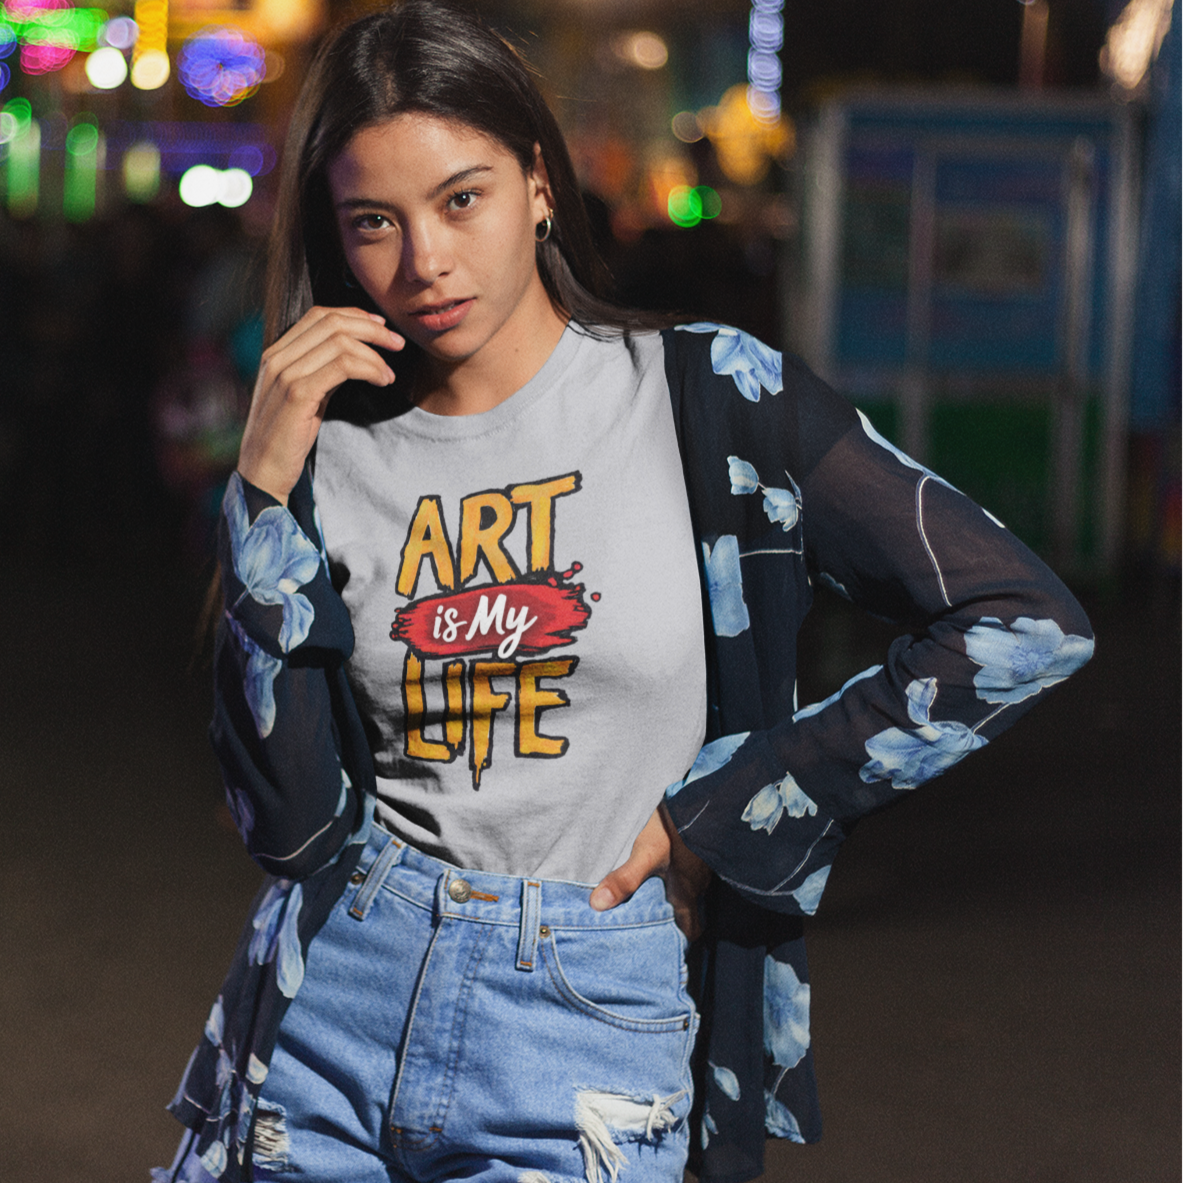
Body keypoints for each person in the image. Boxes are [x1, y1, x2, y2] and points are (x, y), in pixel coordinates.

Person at [156, 3, 1094, 1181]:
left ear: (540, 185)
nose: (425, 261)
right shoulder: (324, 454)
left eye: (462, 198)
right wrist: (259, 496)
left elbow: (1022, 621)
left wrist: (740, 803)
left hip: (587, 1007)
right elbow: (282, 822)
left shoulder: (711, 401)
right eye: (373, 223)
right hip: (332, 1004)